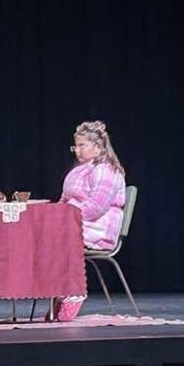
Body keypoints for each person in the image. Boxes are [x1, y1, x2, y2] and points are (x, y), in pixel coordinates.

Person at [56, 120, 126, 321]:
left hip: (97, 227)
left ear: (97, 147)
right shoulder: (77, 171)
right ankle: (59, 288)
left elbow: (96, 207)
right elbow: (64, 200)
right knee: (41, 235)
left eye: (82, 145)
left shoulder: (106, 169)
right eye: (75, 146)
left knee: (56, 238)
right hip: (76, 223)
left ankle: (73, 289)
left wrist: (66, 219)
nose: (77, 150)